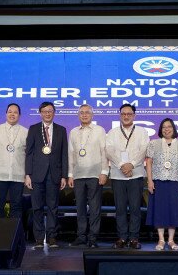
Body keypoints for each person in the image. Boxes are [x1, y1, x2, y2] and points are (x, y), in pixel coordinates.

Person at [25, 102, 68, 249]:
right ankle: (38, 238)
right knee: (37, 207)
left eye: (50, 111)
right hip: (36, 174)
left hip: (54, 175)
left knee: (53, 207)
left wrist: (64, 176)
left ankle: (52, 237)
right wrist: (27, 174)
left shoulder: (61, 130)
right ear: (40, 113)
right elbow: (29, 153)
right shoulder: (34, 129)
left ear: (54, 113)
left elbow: (64, 154)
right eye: (44, 111)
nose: (47, 113)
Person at [106, 103, 149, 249]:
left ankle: (134, 239)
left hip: (136, 175)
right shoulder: (112, 132)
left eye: (129, 114)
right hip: (118, 176)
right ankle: (122, 238)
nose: (126, 116)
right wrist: (122, 165)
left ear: (134, 116)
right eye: (123, 114)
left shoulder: (142, 132)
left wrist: (131, 165)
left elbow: (143, 150)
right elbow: (109, 151)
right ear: (120, 115)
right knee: (120, 208)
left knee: (136, 208)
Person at [68, 104, 109, 248]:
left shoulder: (99, 130)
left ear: (92, 115)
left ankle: (92, 238)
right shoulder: (73, 132)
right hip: (78, 175)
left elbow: (105, 152)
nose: (84, 115)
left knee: (94, 208)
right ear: (78, 115)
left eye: (87, 113)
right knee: (80, 207)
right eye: (81, 113)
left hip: (95, 175)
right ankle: (81, 236)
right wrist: (70, 174)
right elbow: (71, 154)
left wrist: (104, 172)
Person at [146, 118, 178, 251]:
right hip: (158, 181)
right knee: (159, 210)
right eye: (164, 127)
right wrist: (150, 180)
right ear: (160, 129)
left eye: (169, 126)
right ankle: (161, 240)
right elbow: (149, 162)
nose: (166, 129)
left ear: (173, 129)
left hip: (175, 181)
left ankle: (171, 240)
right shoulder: (154, 143)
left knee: (173, 211)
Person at [0, 103, 28, 219]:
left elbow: (29, 156)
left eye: (15, 112)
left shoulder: (26, 132)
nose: (12, 114)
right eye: (10, 111)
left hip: (18, 175)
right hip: (0, 175)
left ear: (19, 115)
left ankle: (14, 235)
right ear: (6, 113)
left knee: (16, 206)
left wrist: (28, 175)